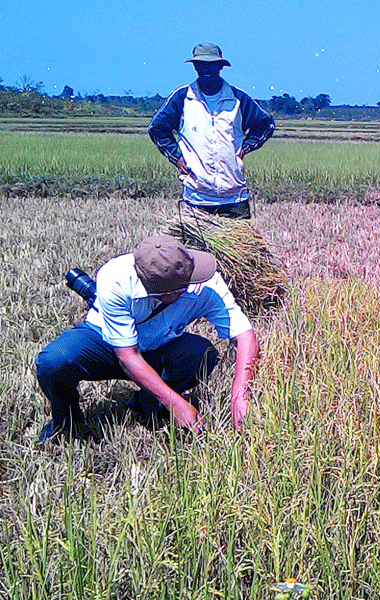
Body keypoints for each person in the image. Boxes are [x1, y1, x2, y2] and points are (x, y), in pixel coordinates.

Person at [35, 234, 260, 442]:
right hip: (106, 343)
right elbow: (127, 357)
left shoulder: (207, 282)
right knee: (54, 361)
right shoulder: (115, 279)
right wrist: (176, 404)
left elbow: (245, 336)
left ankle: (148, 406)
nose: (192, 284)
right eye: (182, 288)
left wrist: (239, 395)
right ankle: (66, 425)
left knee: (201, 354)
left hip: (158, 346)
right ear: (164, 293)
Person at [148, 43, 275, 219]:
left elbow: (266, 124)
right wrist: (176, 158)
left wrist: (244, 149)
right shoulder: (183, 98)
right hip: (197, 196)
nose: (206, 69)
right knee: (195, 247)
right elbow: (157, 128)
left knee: (240, 246)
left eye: (212, 65)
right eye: (201, 64)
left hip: (234, 196)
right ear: (194, 66)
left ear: (220, 67)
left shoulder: (237, 99)